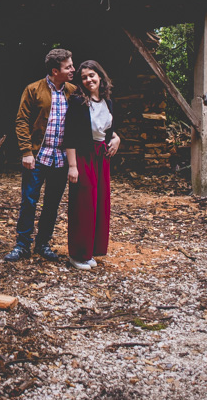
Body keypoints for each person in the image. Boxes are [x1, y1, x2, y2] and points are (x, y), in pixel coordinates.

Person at [5, 48, 77, 262]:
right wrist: (26, 152)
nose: (74, 69)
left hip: (61, 159)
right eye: (69, 66)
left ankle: (43, 244)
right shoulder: (33, 89)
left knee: (52, 203)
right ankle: (22, 245)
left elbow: (87, 121)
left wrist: (114, 135)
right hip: (37, 157)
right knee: (29, 200)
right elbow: (21, 121)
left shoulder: (73, 91)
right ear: (56, 71)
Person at [62, 59, 121, 270]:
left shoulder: (107, 102)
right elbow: (69, 135)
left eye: (92, 75)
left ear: (100, 76)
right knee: (83, 203)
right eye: (84, 77)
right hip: (83, 156)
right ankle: (77, 254)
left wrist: (117, 139)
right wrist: (72, 166)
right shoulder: (78, 101)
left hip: (101, 157)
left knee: (99, 203)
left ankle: (92, 250)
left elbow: (107, 130)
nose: (88, 80)